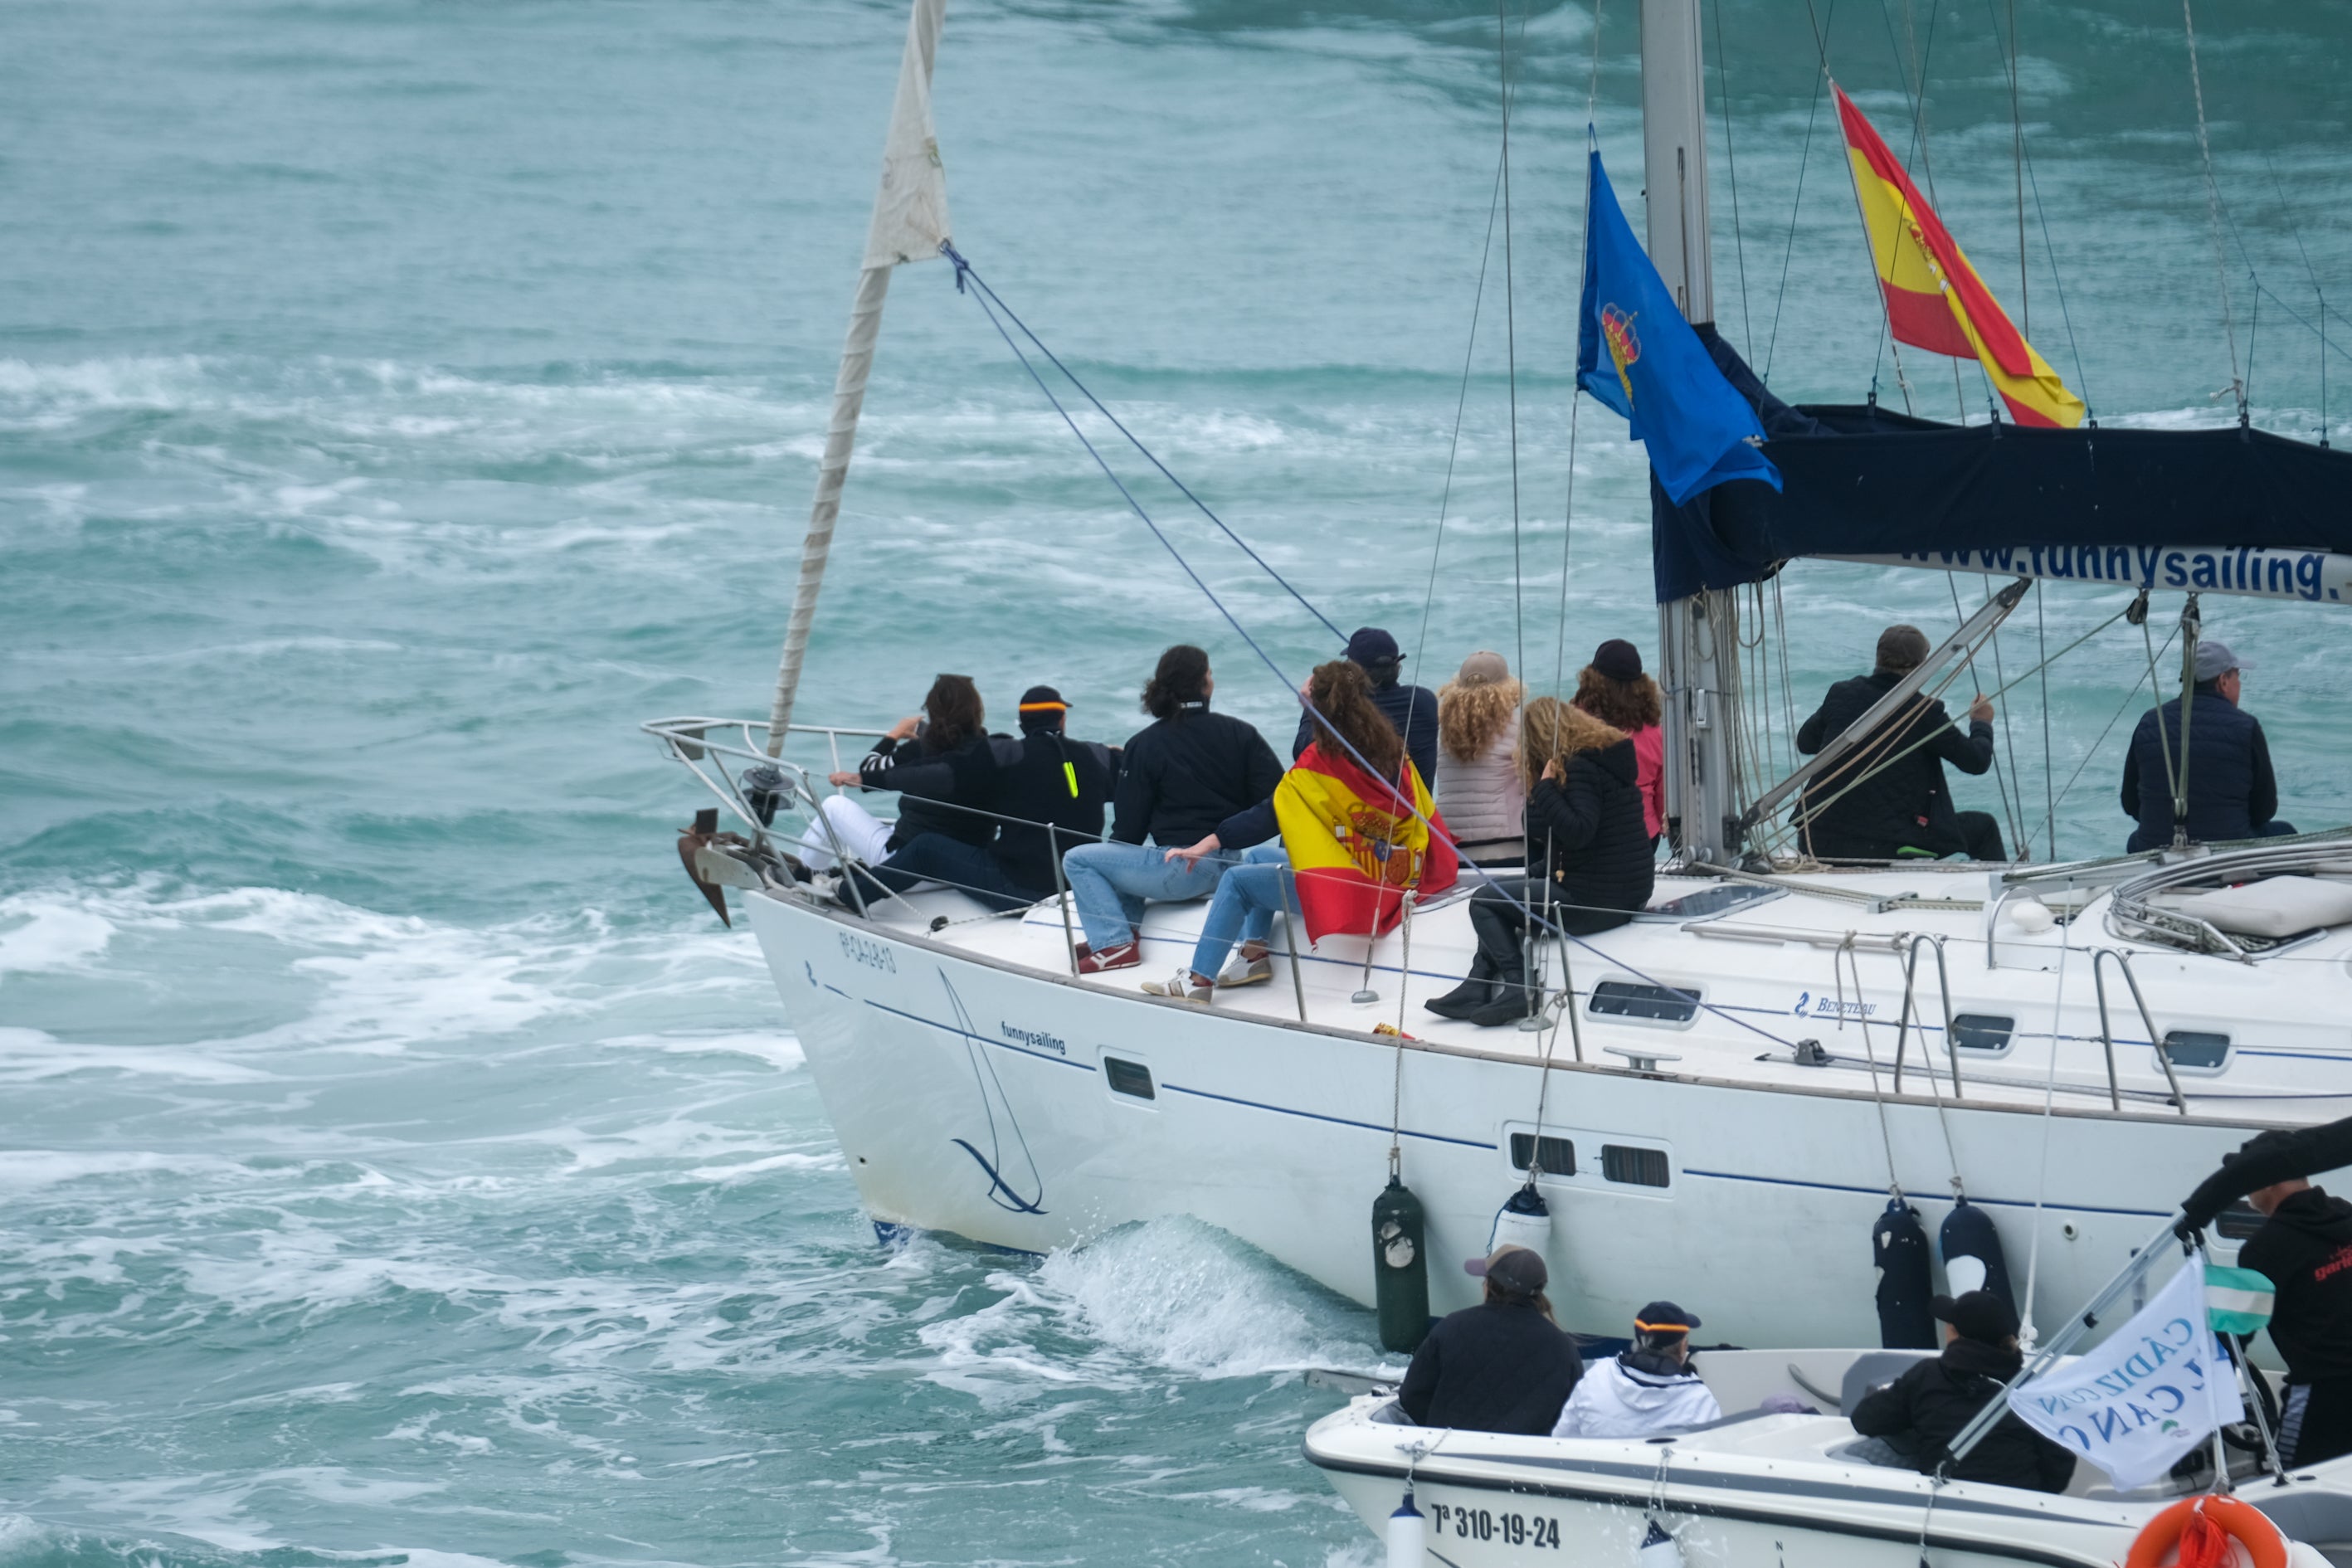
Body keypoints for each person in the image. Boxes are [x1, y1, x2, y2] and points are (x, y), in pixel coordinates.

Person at [1142, 660, 1419, 1003]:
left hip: (1357, 889)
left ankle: (1198, 980)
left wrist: (1208, 844)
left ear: (1318, 705)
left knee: (1236, 881)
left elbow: (1273, 811)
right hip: (1394, 876)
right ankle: (1253, 957)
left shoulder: (1325, 760)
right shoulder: (1393, 750)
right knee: (1259, 857)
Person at [1429, 698, 1653, 1028]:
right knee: (1500, 894)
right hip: (1621, 891)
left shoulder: (1581, 769)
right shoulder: (1603, 764)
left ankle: (1521, 987)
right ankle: (1477, 984)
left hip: (1597, 900)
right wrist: (1542, 791)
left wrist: (1546, 788)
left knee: (1483, 902)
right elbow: (1544, 830)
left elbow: (1577, 831)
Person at [1059, 645, 1283, 972]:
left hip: (1181, 872)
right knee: (1125, 854)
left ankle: (1114, 942)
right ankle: (1126, 932)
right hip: (1229, 864)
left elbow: (1129, 830)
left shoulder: (1145, 743)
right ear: (1205, 684)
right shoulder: (1241, 733)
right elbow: (1277, 804)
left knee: (1080, 858)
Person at [835, 686, 1118, 913]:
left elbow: (942, 774)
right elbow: (1134, 775)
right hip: (1080, 884)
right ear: (1063, 720)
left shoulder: (1008, 755)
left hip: (1021, 891)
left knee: (926, 848)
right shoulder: (1096, 756)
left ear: (1021, 724)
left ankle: (848, 894)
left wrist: (867, 780)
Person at [1794, 625, 2005, 863]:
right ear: (1922, 665)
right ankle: (2007, 895)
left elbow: (1805, 743)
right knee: (1984, 828)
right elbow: (1976, 762)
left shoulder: (1841, 693)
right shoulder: (1924, 711)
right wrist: (1981, 723)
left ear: (1877, 657)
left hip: (1817, 839)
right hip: (1885, 844)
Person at [1848, 1290, 2076, 1493]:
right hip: (2021, 1507)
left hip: (1946, 1507)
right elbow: (2060, 1464)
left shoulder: (1927, 1375)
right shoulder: (2030, 1387)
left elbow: (1864, 1420)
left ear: (1954, 1333)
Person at [2228, 1130, 2352, 1468]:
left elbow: (2237, 1335)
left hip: (2321, 1396)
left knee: (2286, 1478)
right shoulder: (2346, 1215)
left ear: (2270, 1182)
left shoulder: (2264, 1249)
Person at [801, 674, 995, 872]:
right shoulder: (991, 752)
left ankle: (808, 872)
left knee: (834, 808)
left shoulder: (918, 751)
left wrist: (894, 735)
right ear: (977, 711)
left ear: (932, 710)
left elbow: (869, 770)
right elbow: (956, 741)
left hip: (910, 862)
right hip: (967, 862)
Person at [2121, 640, 2295, 851]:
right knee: (2285, 832)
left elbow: (2130, 802)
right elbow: (2265, 810)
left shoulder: (2149, 722)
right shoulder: (2245, 726)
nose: (2239, 684)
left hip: (2158, 847)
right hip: (2228, 850)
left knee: (2134, 840)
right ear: (2223, 681)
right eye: (2238, 676)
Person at [1397, 1244, 1582, 1435]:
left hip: (1449, 1452)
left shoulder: (1452, 1326)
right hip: (1523, 1459)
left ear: (1490, 1284)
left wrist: (1439, 1426)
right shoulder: (1562, 1347)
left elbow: (1412, 1394)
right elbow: (1572, 1416)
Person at [1292, 627, 1439, 791]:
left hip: (1364, 814)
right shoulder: (1425, 701)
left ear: (1353, 673)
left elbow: (1303, 754)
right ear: (1397, 666)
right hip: (1419, 812)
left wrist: (1313, 708)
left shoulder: (1346, 711)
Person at [1551, 1302, 1721, 1439]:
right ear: (1683, 1347)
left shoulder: (1597, 1375)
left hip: (1595, 1478)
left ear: (1638, 1340)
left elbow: (1562, 1438)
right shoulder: (1698, 1400)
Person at [1433, 650, 1527, 865]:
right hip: (1510, 845)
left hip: (1452, 846)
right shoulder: (1519, 726)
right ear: (1509, 686)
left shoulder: (1442, 732)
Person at [1571, 639, 1666, 845]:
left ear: (1591, 678)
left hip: (1591, 826)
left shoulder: (1575, 723)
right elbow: (1661, 790)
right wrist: (1663, 822)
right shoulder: (1655, 731)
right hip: (1642, 830)